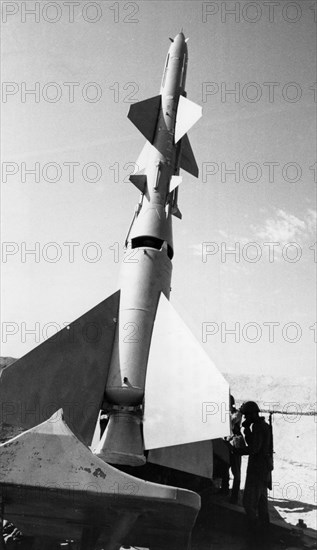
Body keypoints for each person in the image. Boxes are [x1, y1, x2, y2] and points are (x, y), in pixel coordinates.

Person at [237, 401, 273, 538]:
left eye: (247, 416)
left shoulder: (258, 427)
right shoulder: (263, 426)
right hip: (264, 470)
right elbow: (255, 444)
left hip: (256, 470)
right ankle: (265, 534)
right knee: (262, 503)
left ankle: (254, 535)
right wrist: (246, 430)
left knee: (248, 503)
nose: (245, 418)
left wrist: (236, 450)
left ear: (253, 414)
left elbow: (253, 448)